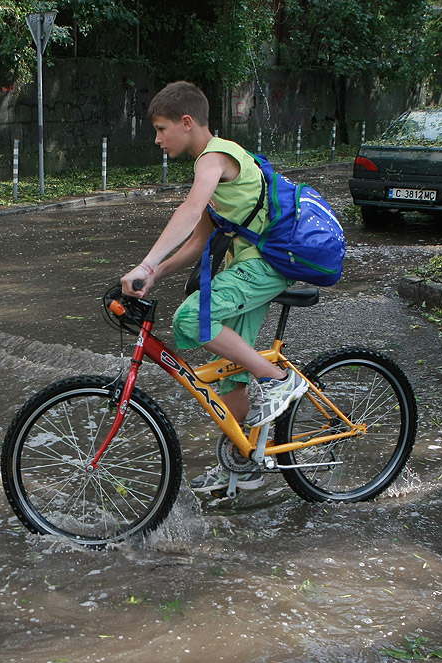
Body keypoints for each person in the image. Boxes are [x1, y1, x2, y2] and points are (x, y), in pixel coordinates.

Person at [120, 81, 307, 493]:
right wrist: (156, 273)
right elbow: (199, 240)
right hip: (249, 267)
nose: (157, 139)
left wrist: (145, 261)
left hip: (264, 267)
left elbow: (188, 209)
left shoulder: (215, 157)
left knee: (191, 318)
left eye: (161, 128)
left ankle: (278, 380)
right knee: (230, 378)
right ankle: (244, 465)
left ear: (187, 123)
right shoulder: (216, 168)